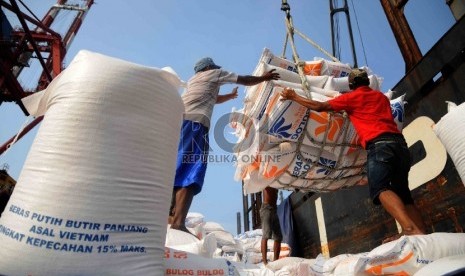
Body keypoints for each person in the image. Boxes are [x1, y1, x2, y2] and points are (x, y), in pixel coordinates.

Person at [279, 68, 426, 242]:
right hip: (400, 146)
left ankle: (409, 229)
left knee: (380, 188)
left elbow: (320, 106)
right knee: (403, 192)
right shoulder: (381, 98)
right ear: (367, 82)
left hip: (380, 147)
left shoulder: (352, 98)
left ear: (350, 85)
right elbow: (374, 117)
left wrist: (293, 96)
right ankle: (422, 234)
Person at [169, 57, 280, 233]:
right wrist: (264, 78)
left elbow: (212, 98)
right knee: (191, 170)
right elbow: (245, 80)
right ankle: (178, 223)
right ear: (209, 67)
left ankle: (170, 215)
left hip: (179, 124)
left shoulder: (193, 81)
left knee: (177, 168)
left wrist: (229, 96)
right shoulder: (214, 73)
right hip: (195, 125)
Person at [260, 187, 283, 265]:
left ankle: (276, 261)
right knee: (266, 235)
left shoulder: (277, 181)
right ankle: (265, 262)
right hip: (266, 208)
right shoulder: (267, 177)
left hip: (274, 209)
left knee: (278, 237)